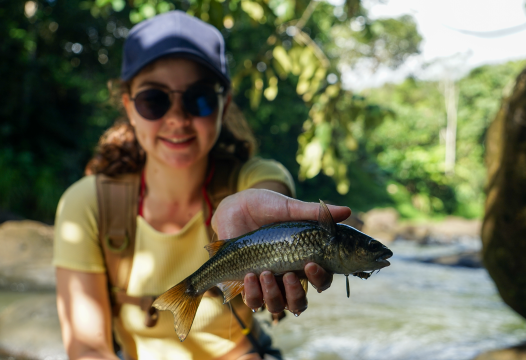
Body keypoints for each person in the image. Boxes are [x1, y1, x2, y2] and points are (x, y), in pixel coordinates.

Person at [53, 10, 351, 360]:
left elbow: (270, 192)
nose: (177, 118)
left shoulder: (253, 178)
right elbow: (87, 347)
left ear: (223, 105)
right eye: (154, 100)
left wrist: (272, 229)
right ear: (129, 107)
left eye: (199, 98)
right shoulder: (86, 205)